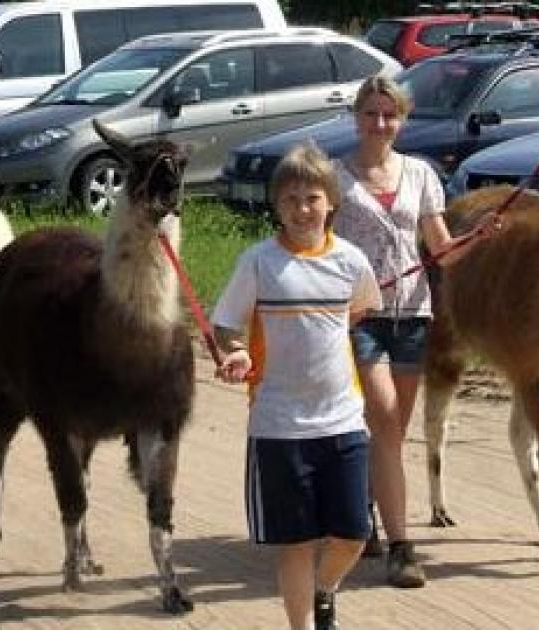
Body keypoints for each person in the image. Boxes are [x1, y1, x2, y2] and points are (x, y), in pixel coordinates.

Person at [332, 74, 503, 588]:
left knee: (391, 432)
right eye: (371, 113)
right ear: (356, 117)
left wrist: (480, 237)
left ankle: (361, 511)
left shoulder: (422, 175)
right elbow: (316, 244)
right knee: (384, 420)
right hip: (359, 319)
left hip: (414, 316)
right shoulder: (334, 178)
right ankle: (402, 549)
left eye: (390, 114)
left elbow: (441, 250)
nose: (380, 123)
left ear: (402, 120)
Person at [213, 143, 382, 630]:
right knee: (296, 543)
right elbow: (227, 323)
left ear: (331, 201)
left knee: (354, 532)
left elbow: (360, 310)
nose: (302, 209)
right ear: (276, 206)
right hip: (278, 426)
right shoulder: (259, 262)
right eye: (290, 200)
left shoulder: (351, 261)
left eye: (312, 197)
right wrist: (238, 351)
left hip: (343, 420)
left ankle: (325, 589)